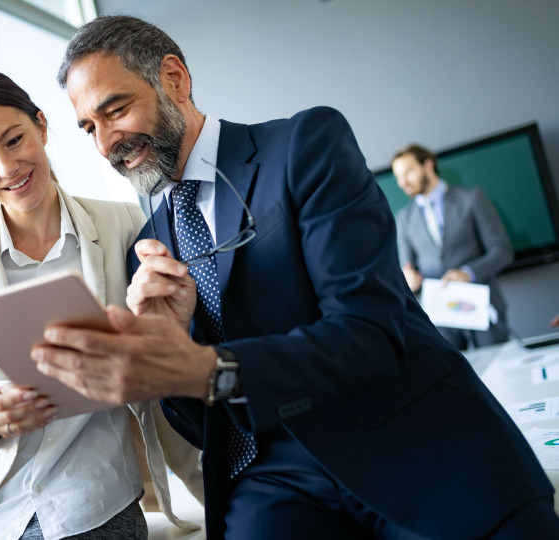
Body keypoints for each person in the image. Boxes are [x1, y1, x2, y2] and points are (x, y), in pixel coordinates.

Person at [28, 15, 559, 540]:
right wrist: (166, 353)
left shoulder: (304, 146)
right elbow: (201, 426)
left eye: (115, 110)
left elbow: (371, 333)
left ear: (174, 79)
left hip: (415, 454)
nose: (105, 143)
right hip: (273, 486)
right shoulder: (148, 252)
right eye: (89, 128)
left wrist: (205, 367)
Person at [0, 71, 202, 540]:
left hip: (91, 499)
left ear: (42, 126)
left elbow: (164, 350)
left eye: (14, 141)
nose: (8, 168)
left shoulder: (124, 225)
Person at [391, 144, 514, 350]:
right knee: (453, 379)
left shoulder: (472, 198)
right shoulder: (403, 218)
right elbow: (407, 268)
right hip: (441, 320)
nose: (403, 182)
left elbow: (502, 250)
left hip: (483, 310)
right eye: (398, 177)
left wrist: (469, 273)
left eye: (409, 172)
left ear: (428, 165)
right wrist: (408, 279)